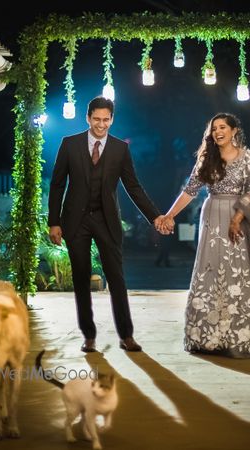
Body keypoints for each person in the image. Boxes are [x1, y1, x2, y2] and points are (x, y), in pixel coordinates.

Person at [156, 113, 250, 358]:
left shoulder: (248, 158)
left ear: (234, 131)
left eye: (222, 127)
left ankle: (242, 333)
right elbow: (190, 190)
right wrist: (169, 215)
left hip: (238, 218)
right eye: (214, 128)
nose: (218, 132)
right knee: (210, 270)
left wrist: (237, 219)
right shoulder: (207, 158)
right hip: (212, 218)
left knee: (239, 271)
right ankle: (208, 336)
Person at [48, 96, 165, 353]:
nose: (101, 125)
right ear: (88, 118)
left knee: (117, 278)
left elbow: (133, 187)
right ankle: (88, 336)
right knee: (81, 278)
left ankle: (127, 336)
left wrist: (155, 216)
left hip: (106, 220)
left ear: (112, 119)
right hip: (75, 221)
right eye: (97, 119)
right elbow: (57, 185)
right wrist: (54, 222)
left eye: (106, 120)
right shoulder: (69, 144)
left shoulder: (119, 149)